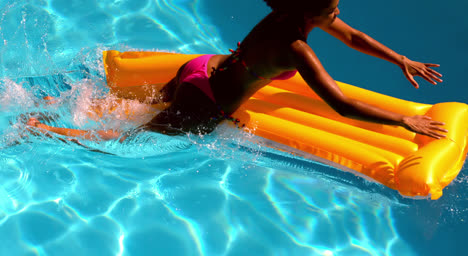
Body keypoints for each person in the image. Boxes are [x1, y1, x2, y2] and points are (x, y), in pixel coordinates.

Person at [28, 0, 447, 140]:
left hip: (198, 70)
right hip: (206, 101)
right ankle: (44, 129)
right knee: (123, 138)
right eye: (333, 9)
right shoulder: (297, 50)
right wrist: (404, 119)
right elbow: (340, 105)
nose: (339, 13)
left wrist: (401, 60)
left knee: (137, 105)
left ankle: (54, 101)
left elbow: (353, 37)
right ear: (313, 14)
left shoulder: (286, 16)